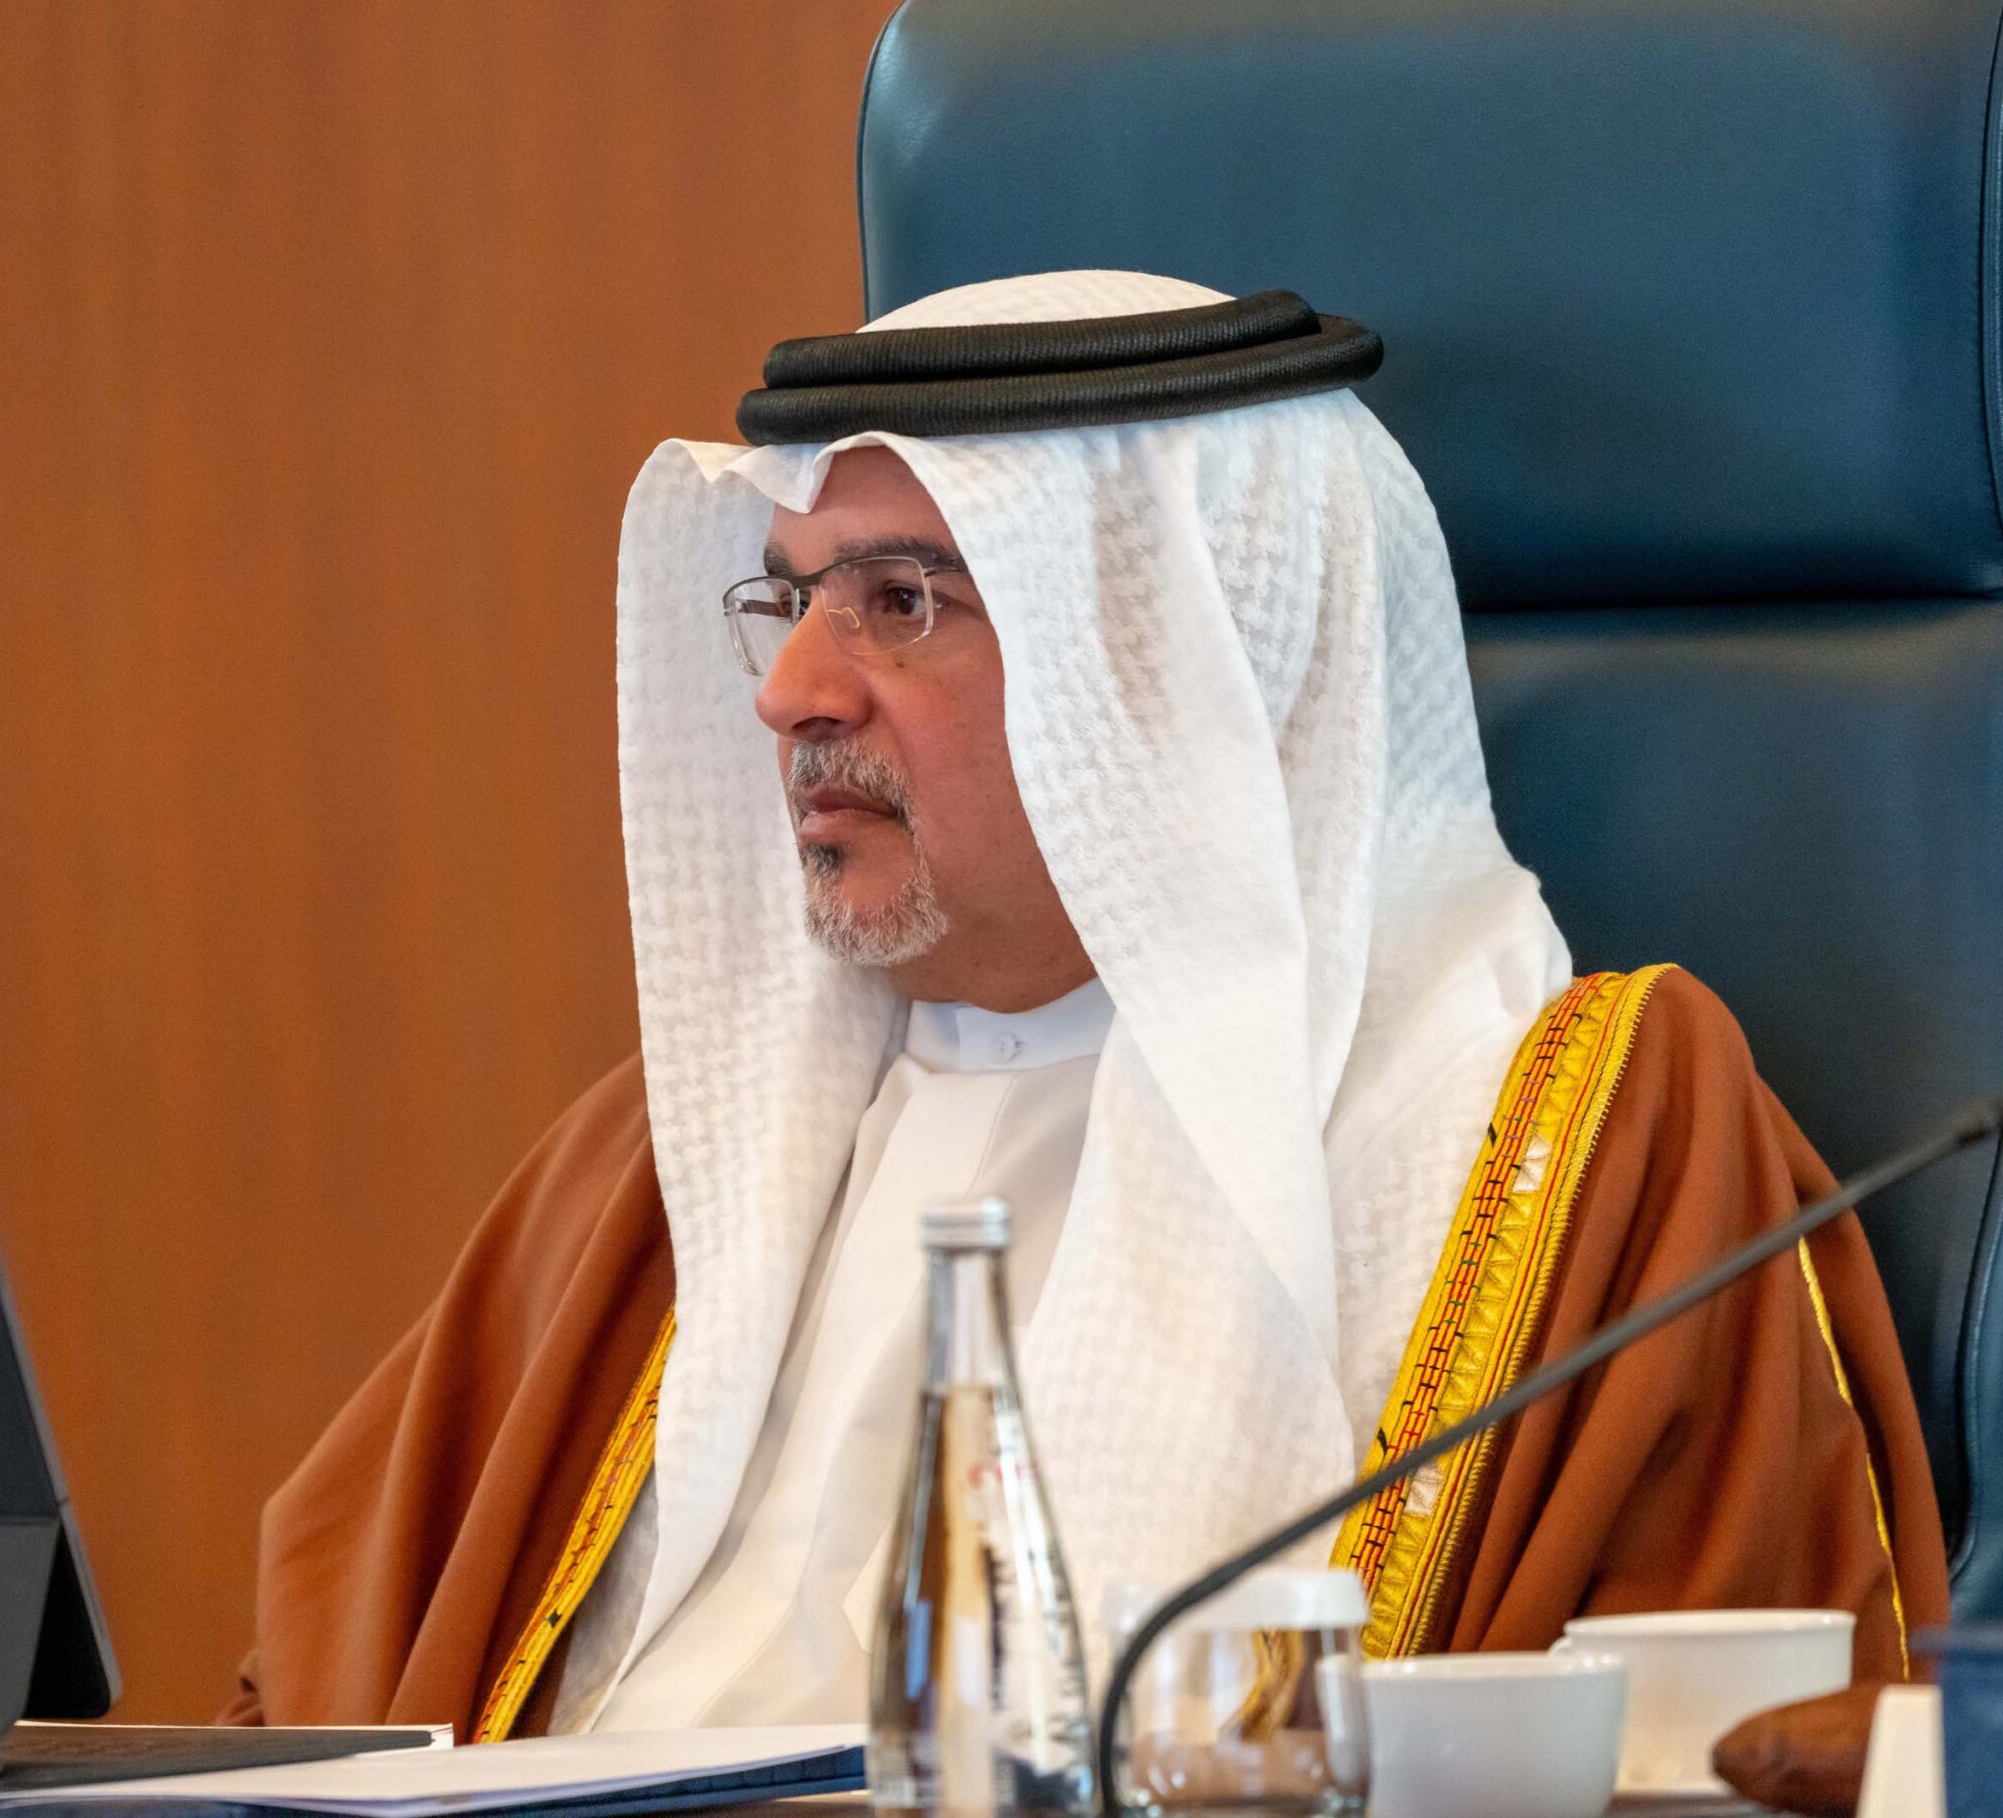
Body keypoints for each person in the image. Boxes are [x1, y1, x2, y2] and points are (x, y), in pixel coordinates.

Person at [221, 270, 1947, 1740]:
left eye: (902, 603)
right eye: (791, 600)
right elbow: (293, 1710)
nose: (792, 693)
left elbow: (1731, 1747)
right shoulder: (663, 1168)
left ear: (1174, 664)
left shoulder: (1580, 1143)